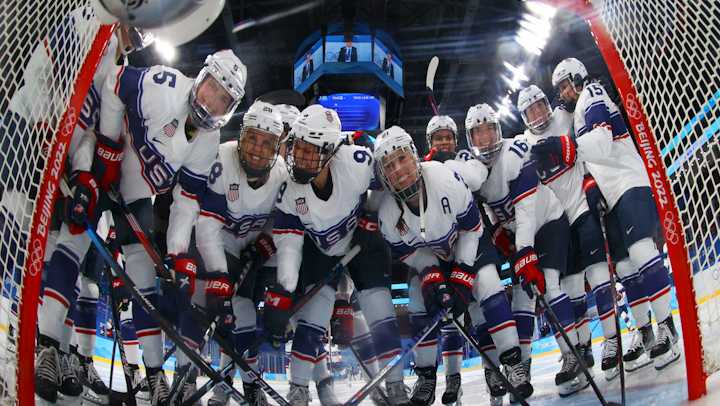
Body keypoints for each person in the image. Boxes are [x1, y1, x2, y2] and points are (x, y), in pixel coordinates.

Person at [35, 46, 247, 405]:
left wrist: (179, 252)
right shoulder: (165, 86)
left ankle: (154, 375)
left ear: (229, 110)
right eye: (212, 87)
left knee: (144, 279)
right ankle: (48, 348)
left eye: (224, 99)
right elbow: (116, 85)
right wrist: (104, 151)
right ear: (202, 78)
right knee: (73, 243)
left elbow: (187, 199)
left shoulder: (208, 140)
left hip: (135, 193)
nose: (213, 101)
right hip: (101, 163)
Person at [539, 57, 679, 370]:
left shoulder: (592, 94)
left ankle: (667, 329)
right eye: (559, 88)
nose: (563, 92)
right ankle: (645, 332)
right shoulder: (577, 112)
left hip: (630, 182)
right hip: (612, 195)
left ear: (577, 79)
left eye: (565, 85)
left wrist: (567, 146)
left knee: (641, 252)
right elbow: (590, 163)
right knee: (626, 268)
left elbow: (600, 145)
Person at [374, 126, 530, 406]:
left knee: (487, 282)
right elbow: (410, 254)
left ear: (414, 155)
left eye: (401, 158)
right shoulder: (387, 214)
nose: (399, 169)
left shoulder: (446, 179)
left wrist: (461, 275)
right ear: (382, 174)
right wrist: (430, 273)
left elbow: (472, 229)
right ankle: (426, 377)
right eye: (389, 165)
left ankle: (512, 362)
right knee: (416, 300)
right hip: (432, 253)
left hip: (468, 240)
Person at [265, 105, 410, 406]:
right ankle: (299, 389)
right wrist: (284, 289)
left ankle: (394, 386)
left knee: (380, 312)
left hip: (362, 245)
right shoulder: (288, 190)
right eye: (298, 146)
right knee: (314, 318)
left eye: (310, 149)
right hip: (321, 250)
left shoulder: (356, 163)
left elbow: (389, 180)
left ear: (331, 151)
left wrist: (372, 215)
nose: (300, 155)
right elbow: (290, 246)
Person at [465, 103, 587, 397]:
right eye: (477, 133)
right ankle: (523, 366)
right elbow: (489, 210)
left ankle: (574, 356)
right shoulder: (474, 168)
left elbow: (526, 209)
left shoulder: (516, 152)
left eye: (488, 130)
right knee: (522, 297)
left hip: (546, 221)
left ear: (498, 131)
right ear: (470, 139)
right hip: (520, 230)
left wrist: (523, 251)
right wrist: (498, 232)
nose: (484, 138)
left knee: (547, 284)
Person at [516, 84, 622, 380]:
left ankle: (613, 339)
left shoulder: (566, 117)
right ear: (523, 116)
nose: (537, 112)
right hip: (558, 223)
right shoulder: (522, 144)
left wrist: (591, 184)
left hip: (582, 210)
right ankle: (584, 347)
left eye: (539, 105)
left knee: (600, 277)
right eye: (530, 110)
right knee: (574, 290)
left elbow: (590, 149)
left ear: (546, 104)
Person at [197, 100, 287, 406]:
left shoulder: (283, 175)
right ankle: (220, 383)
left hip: (255, 251)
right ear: (242, 135)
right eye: (252, 138)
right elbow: (205, 222)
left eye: (268, 142)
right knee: (222, 309)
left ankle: (249, 384)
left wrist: (267, 240)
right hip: (221, 244)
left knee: (244, 313)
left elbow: (286, 220)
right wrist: (220, 273)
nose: (258, 149)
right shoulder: (221, 158)